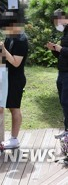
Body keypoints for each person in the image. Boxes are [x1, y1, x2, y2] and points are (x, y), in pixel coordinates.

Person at [0, 15, 28, 149]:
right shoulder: (10, 37)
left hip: (16, 79)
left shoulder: (21, 40)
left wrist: (2, 49)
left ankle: (14, 139)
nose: (5, 31)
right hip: (5, 76)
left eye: (6, 28)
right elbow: (4, 56)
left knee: (14, 108)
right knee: (0, 107)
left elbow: (15, 62)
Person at [46, 9, 68, 140]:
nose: (56, 24)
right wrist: (54, 50)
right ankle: (66, 130)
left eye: (56, 21)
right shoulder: (65, 32)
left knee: (66, 102)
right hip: (62, 72)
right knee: (63, 101)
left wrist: (61, 49)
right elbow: (62, 54)